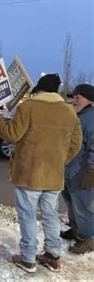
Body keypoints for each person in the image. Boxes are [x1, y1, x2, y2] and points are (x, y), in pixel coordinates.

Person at [0, 73, 82, 273]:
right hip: (54, 175)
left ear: (39, 90)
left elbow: (12, 134)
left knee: (28, 215)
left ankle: (28, 258)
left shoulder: (28, 107)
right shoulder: (69, 112)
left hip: (29, 174)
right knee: (51, 215)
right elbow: (76, 144)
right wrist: (60, 160)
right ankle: (53, 256)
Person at [61, 83, 94, 254]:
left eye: (78, 97)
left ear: (88, 99)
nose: (75, 99)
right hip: (69, 170)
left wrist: (91, 170)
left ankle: (87, 238)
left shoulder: (91, 118)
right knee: (71, 203)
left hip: (82, 173)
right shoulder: (78, 115)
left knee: (82, 206)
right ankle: (76, 230)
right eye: (74, 96)